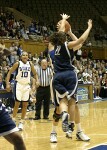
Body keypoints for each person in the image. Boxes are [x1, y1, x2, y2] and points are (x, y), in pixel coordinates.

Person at [49, 14, 92, 142]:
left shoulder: (52, 47)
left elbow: (66, 37)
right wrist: (88, 27)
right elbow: (80, 42)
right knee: (65, 105)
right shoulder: (66, 46)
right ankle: (55, 131)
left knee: (71, 105)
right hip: (68, 76)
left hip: (58, 77)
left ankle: (77, 131)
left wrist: (66, 27)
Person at [6, 51, 39, 130]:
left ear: (28, 57)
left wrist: (37, 80)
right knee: (17, 103)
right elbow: (9, 72)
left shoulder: (30, 64)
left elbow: (35, 73)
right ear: (21, 57)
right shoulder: (17, 64)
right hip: (19, 85)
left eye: (26, 55)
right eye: (23, 55)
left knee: (25, 105)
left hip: (26, 86)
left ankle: (21, 121)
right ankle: (13, 120)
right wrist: (7, 83)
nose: (25, 56)